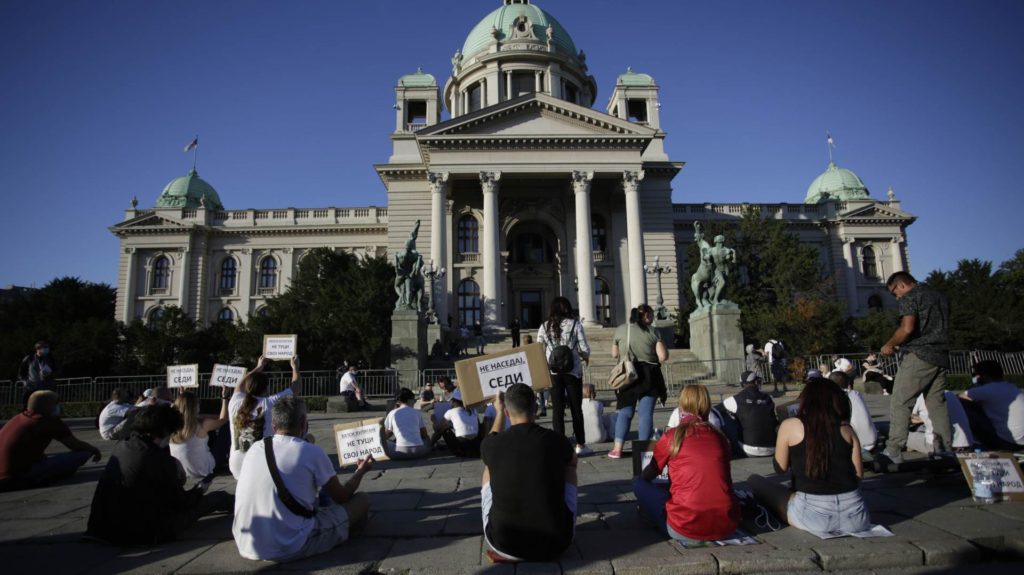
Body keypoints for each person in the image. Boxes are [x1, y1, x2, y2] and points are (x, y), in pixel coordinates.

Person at [233, 397, 372, 562]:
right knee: (362, 500)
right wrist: (361, 471)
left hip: (245, 543)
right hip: (287, 545)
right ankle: (341, 533)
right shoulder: (311, 452)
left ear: (274, 425)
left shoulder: (256, 448)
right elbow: (342, 496)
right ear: (303, 423)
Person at [86, 404, 233, 544]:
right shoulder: (159, 459)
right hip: (145, 533)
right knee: (217, 498)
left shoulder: (122, 446)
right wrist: (199, 490)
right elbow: (182, 503)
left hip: (102, 528)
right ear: (165, 431)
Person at [748, 377, 872, 538]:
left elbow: (779, 468)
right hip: (857, 517)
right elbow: (858, 476)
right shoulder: (847, 429)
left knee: (755, 480)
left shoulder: (790, 425)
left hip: (813, 516)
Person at [480, 384, 577, 562]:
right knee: (569, 465)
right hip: (557, 543)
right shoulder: (556, 439)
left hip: (503, 544)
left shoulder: (491, 444)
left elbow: (491, 439)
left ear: (508, 413)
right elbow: (572, 462)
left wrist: (499, 412)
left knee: (488, 466)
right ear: (536, 408)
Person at [634, 384, 741, 542]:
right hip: (727, 526)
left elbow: (652, 471)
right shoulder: (720, 437)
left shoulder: (673, 435)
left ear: (681, 404)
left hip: (684, 527)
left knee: (639, 484)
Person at [879, 271, 953, 466]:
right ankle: (944, 449)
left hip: (920, 355)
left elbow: (907, 328)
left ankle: (894, 449)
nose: (897, 297)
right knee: (937, 403)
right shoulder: (938, 296)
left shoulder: (911, 296)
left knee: (901, 400)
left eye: (895, 293)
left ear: (901, 285)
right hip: (941, 354)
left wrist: (889, 344)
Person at [0, 390, 101, 492]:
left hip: (4, 475)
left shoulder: (18, 418)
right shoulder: (48, 421)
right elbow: (75, 445)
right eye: (56, 403)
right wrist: (94, 450)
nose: (59, 407)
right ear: (48, 406)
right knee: (83, 453)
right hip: (18, 476)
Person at [229, 355, 303, 479]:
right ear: (267, 388)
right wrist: (295, 368)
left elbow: (240, 384)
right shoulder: (269, 403)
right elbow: (296, 388)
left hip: (236, 466)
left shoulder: (235, 401)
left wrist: (258, 367)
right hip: (259, 465)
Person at [609, 304, 668, 459]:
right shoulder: (653, 332)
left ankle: (617, 449)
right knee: (645, 414)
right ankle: (645, 449)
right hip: (649, 375)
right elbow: (663, 357)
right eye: (652, 315)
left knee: (625, 412)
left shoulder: (622, 329)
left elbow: (614, 354)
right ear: (646, 316)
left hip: (628, 374)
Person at [538, 296, 593, 456]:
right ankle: (580, 445)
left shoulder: (544, 326)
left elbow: (539, 349)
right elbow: (584, 348)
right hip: (573, 371)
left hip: (553, 371)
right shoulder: (576, 324)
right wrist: (583, 355)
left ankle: (559, 445)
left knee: (557, 409)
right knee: (576, 409)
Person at [958, 360, 1024, 450]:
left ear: (982, 376)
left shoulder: (986, 390)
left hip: (1008, 441)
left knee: (962, 405)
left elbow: (958, 397)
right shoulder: (1012, 387)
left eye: (975, 375)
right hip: (1021, 440)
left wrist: (974, 386)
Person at [171, 389, 231, 479]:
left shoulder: (171, 424)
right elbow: (224, 419)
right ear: (195, 407)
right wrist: (225, 397)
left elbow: (196, 416)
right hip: (205, 470)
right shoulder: (202, 424)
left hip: (183, 471)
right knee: (227, 425)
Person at [721, 371, 778, 456]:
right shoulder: (767, 398)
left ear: (742, 384)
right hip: (772, 448)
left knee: (725, 417)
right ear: (756, 382)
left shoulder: (734, 400)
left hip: (749, 449)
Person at [909, 390, 974, 454]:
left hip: (940, 447)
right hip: (966, 444)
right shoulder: (948, 393)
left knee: (901, 435)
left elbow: (907, 418)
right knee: (922, 428)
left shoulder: (921, 397)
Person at [828, 372, 877, 452]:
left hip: (854, 446)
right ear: (848, 383)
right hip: (871, 442)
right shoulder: (856, 394)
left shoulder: (834, 397)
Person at [384, 388, 431, 460]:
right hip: (419, 451)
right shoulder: (416, 413)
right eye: (414, 400)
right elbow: (424, 434)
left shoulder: (393, 413)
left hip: (399, 453)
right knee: (427, 440)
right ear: (409, 400)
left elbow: (389, 433)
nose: (415, 402)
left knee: (383, 441)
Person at [20, 341, 57, 408]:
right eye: (44, 347)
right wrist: (25, 382)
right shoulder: (29, 358)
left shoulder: (50, 359)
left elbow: (56, 370)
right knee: (28, 406)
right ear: (38, 349)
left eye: (47, 347)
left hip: (46, 387)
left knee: (46, 407)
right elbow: (21, 373)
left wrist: (50, 374)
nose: (47, 349)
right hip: (31, 387)